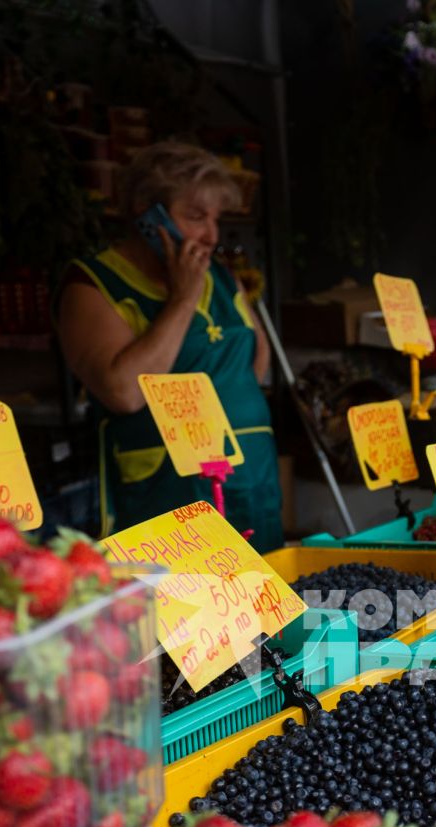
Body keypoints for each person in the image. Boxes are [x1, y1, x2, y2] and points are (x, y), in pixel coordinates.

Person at [56, 141, 282, 548]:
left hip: (250, 477)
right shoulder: (92, 285)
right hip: (165, 491)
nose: (211, 236)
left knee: (268, 603)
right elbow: (122, 392)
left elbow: (255, 362)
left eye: (216, 218)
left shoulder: (222, 278)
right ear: (148, 212)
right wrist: (182, 300)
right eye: (196, 217)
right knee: (182, 608)